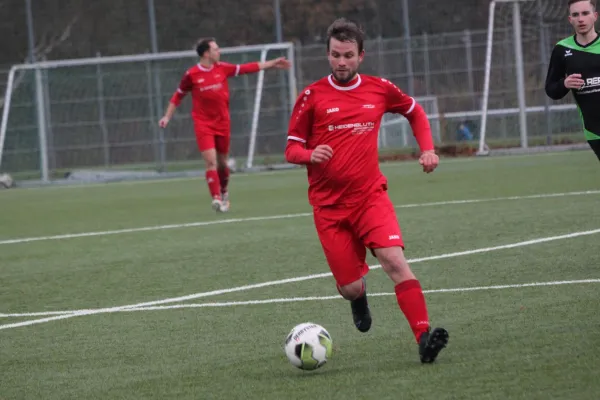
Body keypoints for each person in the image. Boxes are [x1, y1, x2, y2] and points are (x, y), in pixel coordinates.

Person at [284, 18, 448, 364]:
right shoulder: (312, 96)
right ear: (327, 55)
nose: (340, 62)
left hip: (370, 197)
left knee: (393, 260)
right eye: (334, 55)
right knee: (349, 287)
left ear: (361, 55)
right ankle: (359, 298)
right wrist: (310, 155)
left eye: (347, 55)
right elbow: (291, 149)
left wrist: (428, 148)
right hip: (329, 209)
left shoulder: (379, 88)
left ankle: (423, 337)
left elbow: (415, 112)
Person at [159, 38, 292, 212]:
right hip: (203, 124)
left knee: (222, 164)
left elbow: (247, 68)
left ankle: (224, 192)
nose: (219, 51)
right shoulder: (191, 75)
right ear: (206, 53)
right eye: (215, 49)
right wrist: (167, 117)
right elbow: (178, 96)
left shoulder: (222, 68)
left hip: (222, 123)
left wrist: (272, 63)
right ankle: (216, 198)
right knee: (211, 162)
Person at [545, 0, 600, 160]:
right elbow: (551, 89)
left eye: (585, 13)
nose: (581, 19)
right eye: (576, 15)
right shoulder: (562, 50)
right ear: (570, 19)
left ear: (595, 16)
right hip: (594, 130)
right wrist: (564, 83)